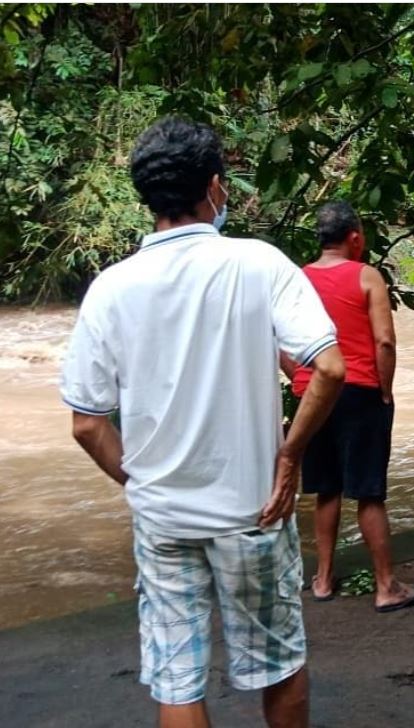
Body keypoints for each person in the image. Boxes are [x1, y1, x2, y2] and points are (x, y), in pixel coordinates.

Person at [61, 116, 345, 728]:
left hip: (162, 518)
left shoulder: (110, 289)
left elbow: (86, 424)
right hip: (253, 511)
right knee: (279, 663)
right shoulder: (257, 264)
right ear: (214, 187)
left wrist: (139, 482)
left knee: (177, 679)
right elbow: (329, 368)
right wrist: (290, 458)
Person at [281, 201, 414, 613]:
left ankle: (324, 579)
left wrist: (301, 376)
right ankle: (386, 586)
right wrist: (384, 391)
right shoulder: (367, 276)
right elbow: (384, 341)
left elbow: (277, 341)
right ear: (354, 237)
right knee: (368, 492)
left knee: (326, 488)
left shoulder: (296, 279)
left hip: (313, 393)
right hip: (359, 390)